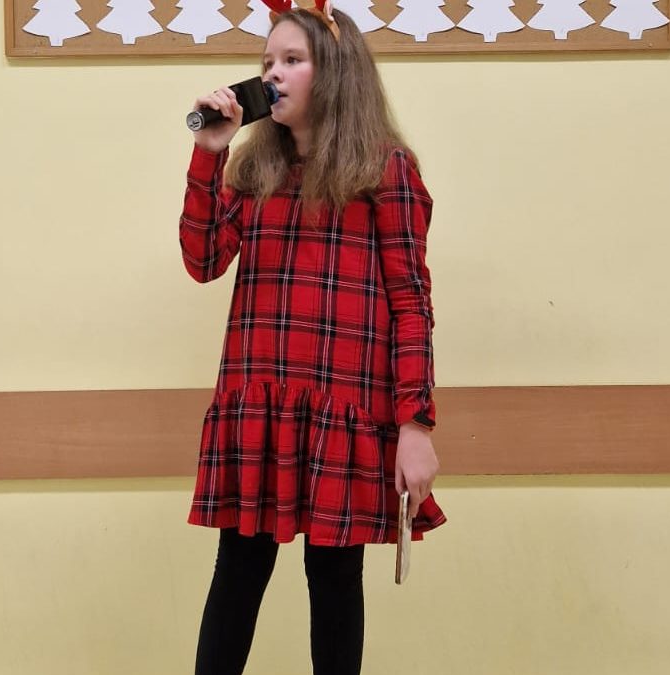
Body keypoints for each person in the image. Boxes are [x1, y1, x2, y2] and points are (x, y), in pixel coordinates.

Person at [178, 3, 446, 674]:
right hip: (260, 406)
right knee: (238, 569)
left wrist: (415, 424)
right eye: (268, 61)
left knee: (333, 578)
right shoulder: (253, 172)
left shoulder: (385, 170)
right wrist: (209, 155)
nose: (273, 74)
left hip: (341, 409)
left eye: (292, 60)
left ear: (335, 72)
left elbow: (411, 302)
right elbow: (203, 260)